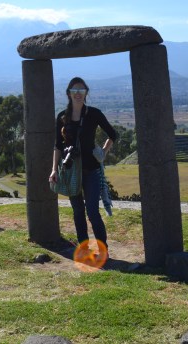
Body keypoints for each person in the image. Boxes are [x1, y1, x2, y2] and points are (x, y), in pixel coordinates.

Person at [49, 77, 118, 248]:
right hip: (71, 171)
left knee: (93, 212)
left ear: (86, 93)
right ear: (68, 94)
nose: (78, 94)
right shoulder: (62, 117)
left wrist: (102, 152)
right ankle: (83, 247)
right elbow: (58, 146)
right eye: (74, 91)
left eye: (81, 90)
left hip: (91, 169)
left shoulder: (93, 114)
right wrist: (53, 170)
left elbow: (113, 134)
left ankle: (103, 249)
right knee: (78, 211)